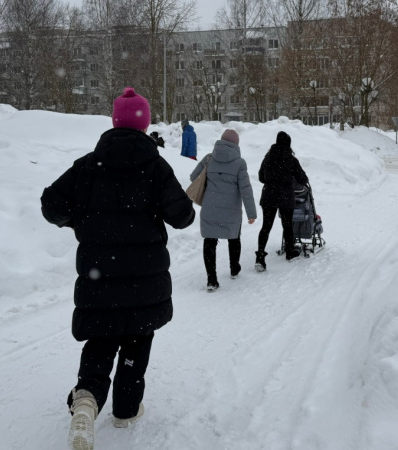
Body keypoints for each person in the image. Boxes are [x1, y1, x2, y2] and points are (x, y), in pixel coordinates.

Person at [40, 87, 195, 450]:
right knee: (137, 340)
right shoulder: (156, 166)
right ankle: (125, 409)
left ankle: (87, 399)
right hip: (145, 281)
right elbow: (183, 217)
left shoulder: (89, 165)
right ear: (144, 124)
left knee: (101, 339)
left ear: (114, 121)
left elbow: (51, 204)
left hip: (100, 277)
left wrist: (80, 220)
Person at [190, 129, 257, 290]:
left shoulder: (208, 159)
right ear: (236, 144)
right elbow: (245, 189)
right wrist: (251, 213)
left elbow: (193, 177)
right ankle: (234, 268)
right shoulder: (240, 163)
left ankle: (211, 279)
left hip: (210, 208)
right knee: (234, 238)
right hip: (231, 210)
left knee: (209, 241)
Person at [255, 131, 309, 271]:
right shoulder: (291, 159)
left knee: (266, 226)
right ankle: (290, 252)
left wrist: (272, 181)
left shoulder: (268, 157)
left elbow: (261, 177)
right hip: (285, 196)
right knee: (287, 225)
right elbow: (302, 178)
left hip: (269, 196)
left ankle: (260, 257)